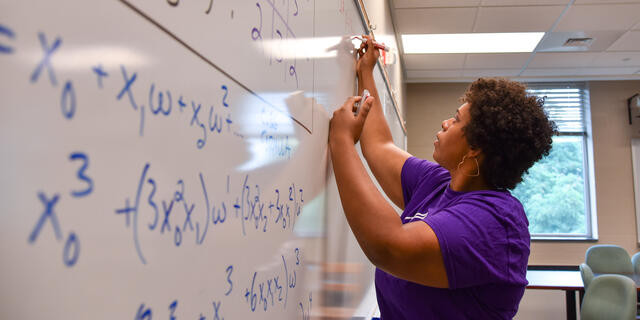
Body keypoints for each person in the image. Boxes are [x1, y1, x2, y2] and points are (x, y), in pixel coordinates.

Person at [328, 35, 556, 319]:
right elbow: (378, 146)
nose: (445, 122)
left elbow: (389, 247)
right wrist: (366, 72)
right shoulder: (436, 185)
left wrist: (341, 142)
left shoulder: (496, 222)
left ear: (475, 147)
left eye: (457, 119)